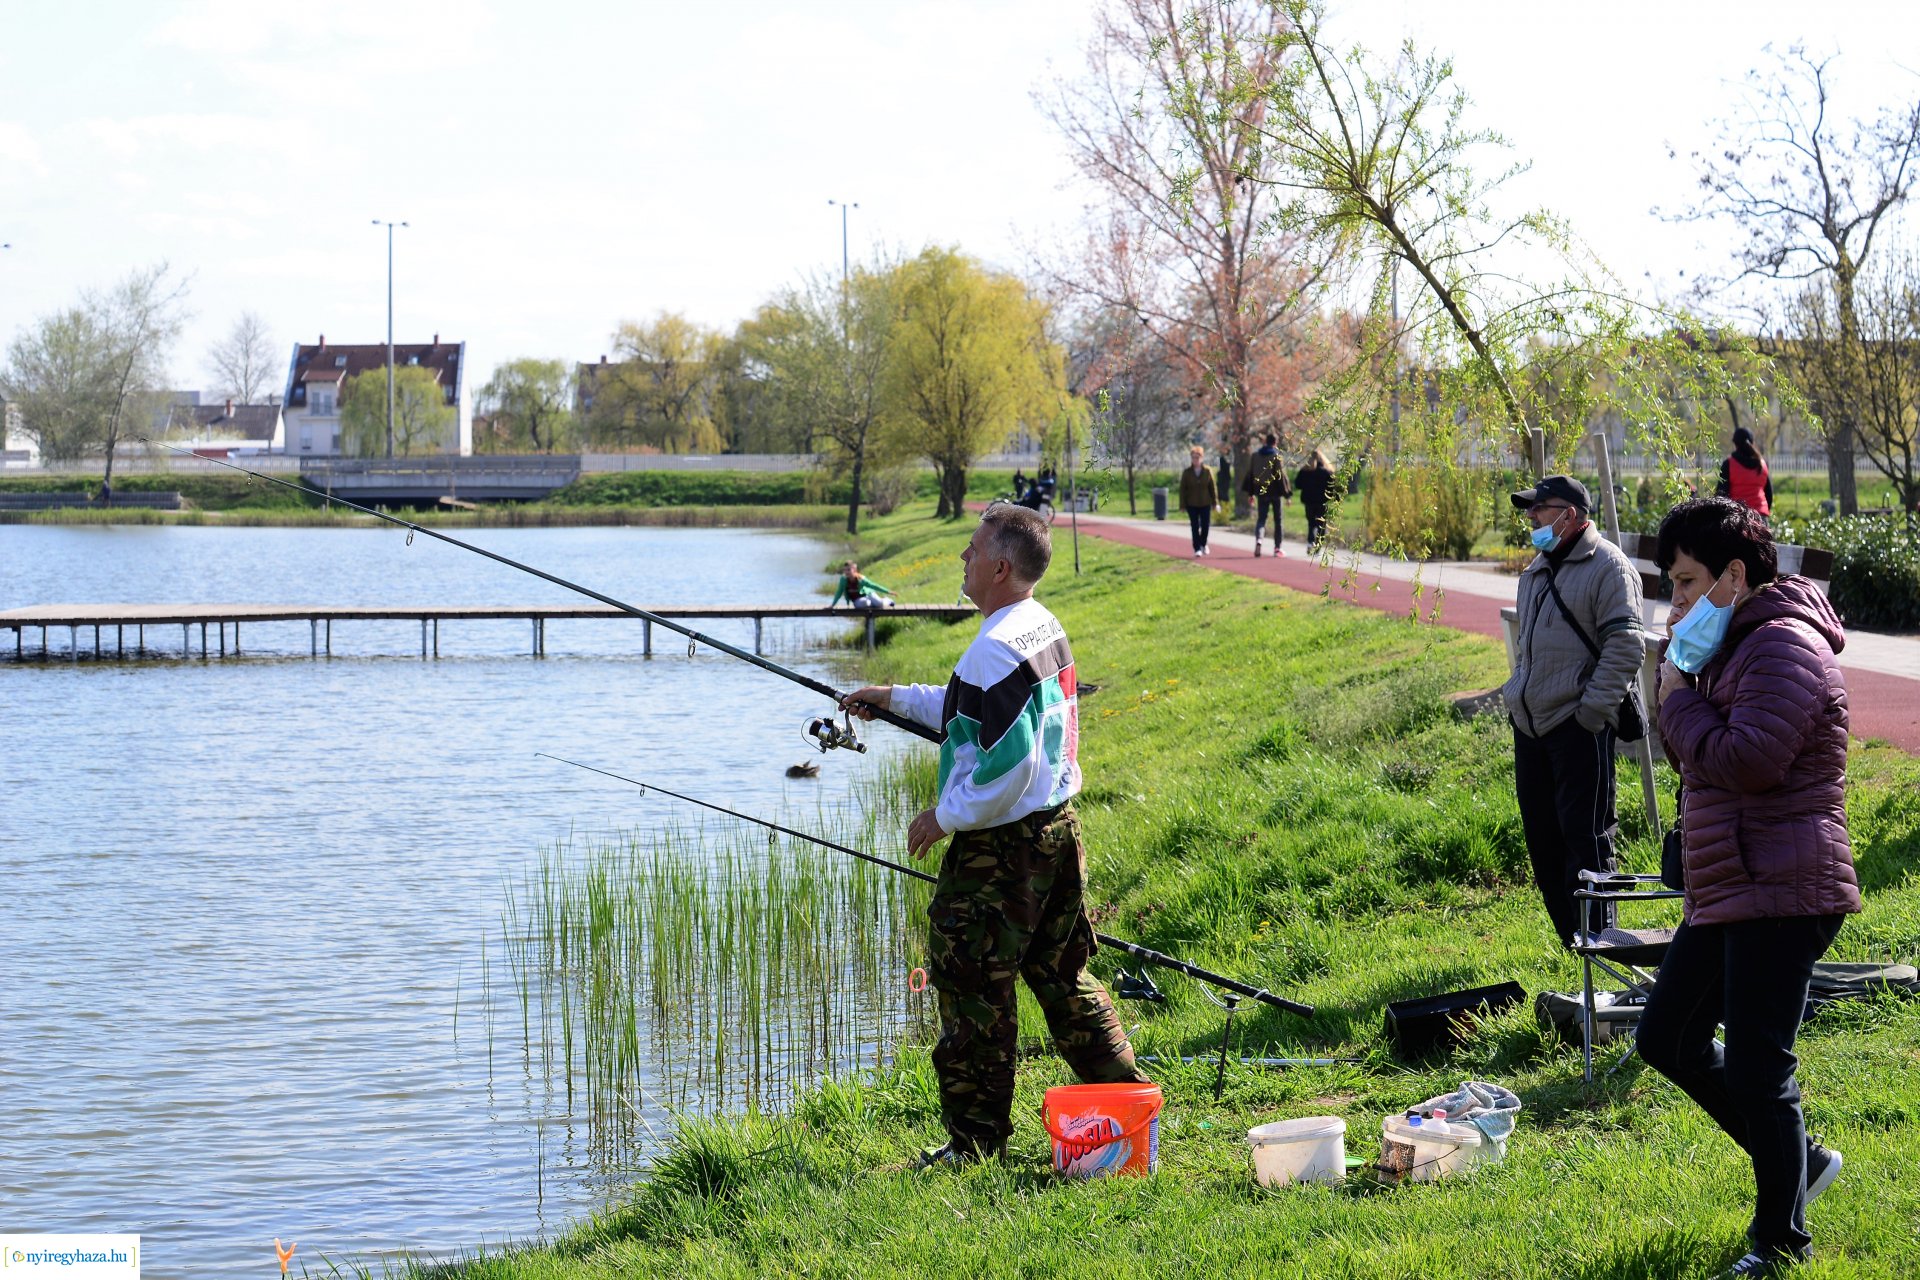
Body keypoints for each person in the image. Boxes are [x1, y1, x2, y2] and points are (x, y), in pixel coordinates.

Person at [841, 504, 1148, 1165]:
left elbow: (1011, 765)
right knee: (1064, 976)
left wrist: (945, 817)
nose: (963, 558)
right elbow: (973, 715)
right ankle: (1130, 1104)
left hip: (1001, 849)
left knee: (971, 988)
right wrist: (891, 697)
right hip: (1059, 833)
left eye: (972, 550)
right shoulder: (1037, 625)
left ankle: (975, 1145)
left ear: (1000, 566)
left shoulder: (993, 647)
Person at [1637, 497, 1859, 1279]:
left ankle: (1780, 1241)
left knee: (1762, 1069)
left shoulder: (1782, 648)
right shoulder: (1729, 644)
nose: (1679, 603)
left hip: (1785, 885)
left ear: (1736, 574)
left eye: (1690, 583)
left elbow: (1746, 761)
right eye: (1672, 585)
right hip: (1734, 879)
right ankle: (1803, 1162)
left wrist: (1678, 699)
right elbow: (1698, 757)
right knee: (1664, 1038)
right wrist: (1681, 693)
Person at [1501, 475, 1644, 947]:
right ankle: (1573, 945)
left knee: (1585, 842)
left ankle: (1602, 945)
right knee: (1543, 842)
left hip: (1577, 729)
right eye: (1530, 510)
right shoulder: (1538, 567)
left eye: (1542, 509)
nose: (1532, 518)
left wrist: (1591, 713)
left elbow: (1625, 646)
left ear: (1572, 515)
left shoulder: (1609, 568)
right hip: (1531, 729)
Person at [1242, 432, 1291, 557]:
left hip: (1261, 491)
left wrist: (1250, 493)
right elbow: (1280, 477)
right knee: (1278, 520)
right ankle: (1277, 548)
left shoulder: (1255, 456)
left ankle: (1259, 540)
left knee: (1261, 519)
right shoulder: (1276, 457)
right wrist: (1287, 495)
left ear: (1265, 442)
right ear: (1275, 443)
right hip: (1275, 492)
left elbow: (1250, 474)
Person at [1715, 426, 1774, 518]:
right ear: (1752, 442)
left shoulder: (1729, 464)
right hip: (1760, 517)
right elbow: (1769, 495)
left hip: (1737, 518)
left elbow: (1721, 495)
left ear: (1735, 443)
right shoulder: (1762, 464)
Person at [1293, 449, 1337, 553]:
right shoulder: (1327, 472)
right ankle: (1318, 546)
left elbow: (1297, 484)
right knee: (1321, 524)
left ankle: (1310, 542)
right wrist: (1333, 498)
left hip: (1308, 500)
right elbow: (1332, 487)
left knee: (1311, 522)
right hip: (1322, 501)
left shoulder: (1305, 471)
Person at [1179, 446, 1217, 557]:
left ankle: (1203, 543)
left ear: (1202, 458)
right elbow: (1182, 489)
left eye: (1197, 457)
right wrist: (1182, 505)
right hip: (1192, 503)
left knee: (1205, 525)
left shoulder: (1207, 471)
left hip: (1205, 503)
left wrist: (1215, 503)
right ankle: (1197, 548)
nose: (1195, 460)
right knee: (1194, 526)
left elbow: (1212, 488)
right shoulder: (1187, 473)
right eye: (1193, 457)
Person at [828, 560, 895, 610]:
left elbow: (873, 585)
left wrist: (888, 591)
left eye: (848, 570)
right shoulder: (843, 580)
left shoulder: (860, 579)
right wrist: (832, 605)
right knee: (866, 603)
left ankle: (888, 600)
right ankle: (872, 602)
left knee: (879, 604)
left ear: (854, 570)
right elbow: (839, 592)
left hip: (869, 594)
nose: (846, 572)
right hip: (857, 599)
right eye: (845, 570)